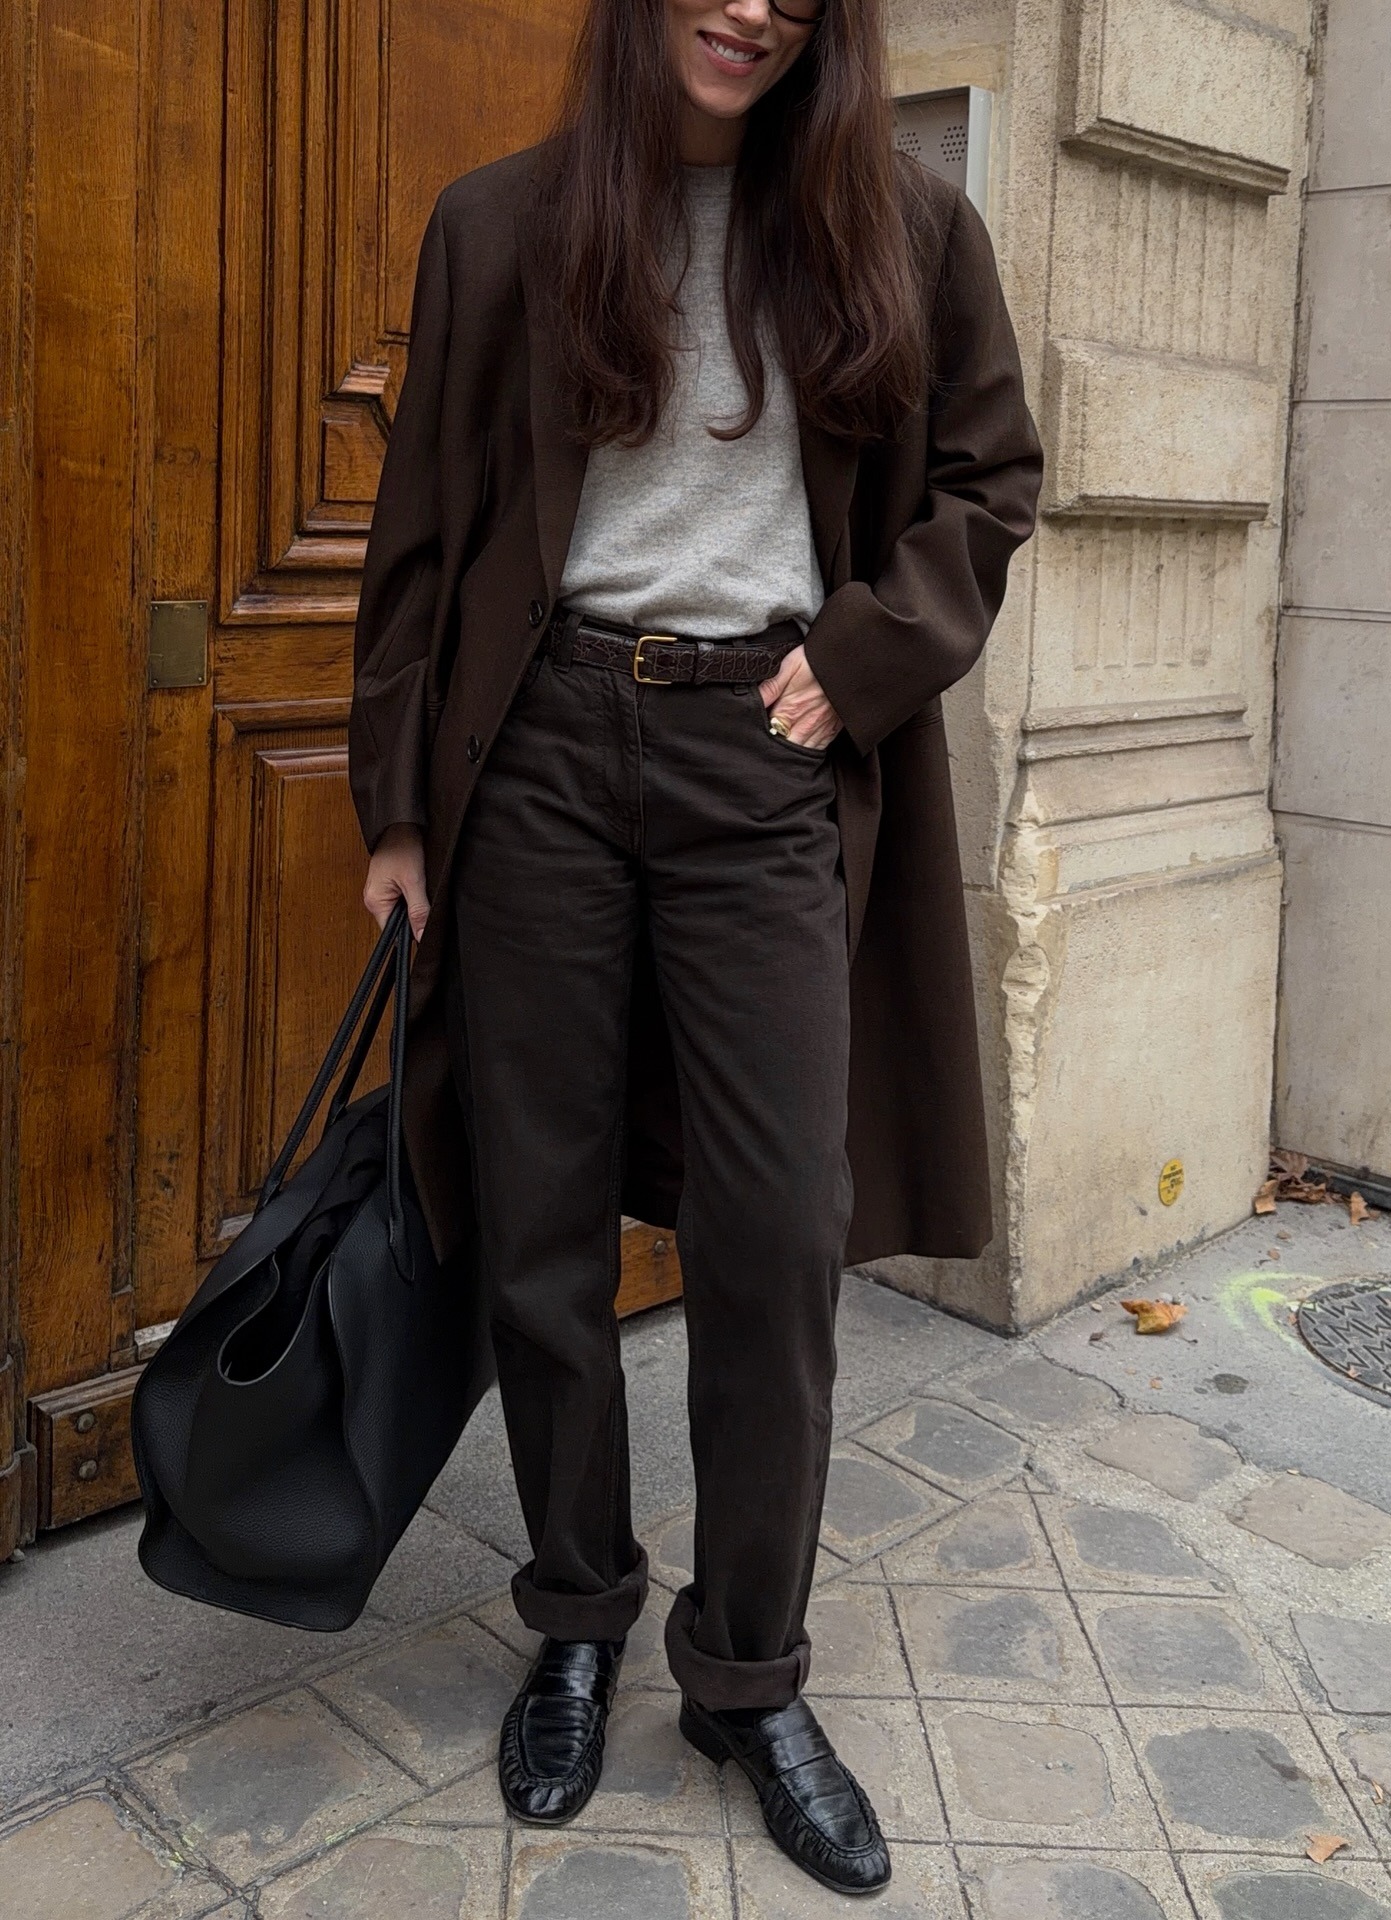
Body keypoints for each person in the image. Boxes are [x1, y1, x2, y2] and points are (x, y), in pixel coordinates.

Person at [350, 0, 1041, 1895]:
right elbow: (423, 523)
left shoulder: (902, 229)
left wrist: (859, 656)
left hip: (770, 759)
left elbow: (992, 479)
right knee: (544, 1222)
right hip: (546, 754)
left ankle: (745, 1675)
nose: (748, 4)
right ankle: (575, 1615)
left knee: (770, 1230)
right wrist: (400, 804)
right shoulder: (502, 222)